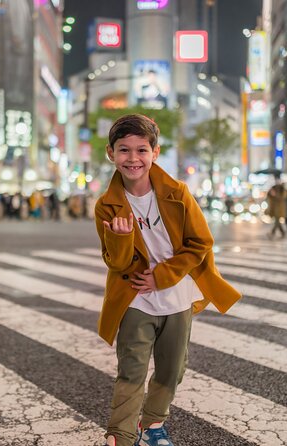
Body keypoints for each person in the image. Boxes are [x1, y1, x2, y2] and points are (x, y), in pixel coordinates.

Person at [94, 114, 241, 446]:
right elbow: (115, 262)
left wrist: (162, 276)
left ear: (155, 153)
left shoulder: (178, 192)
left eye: (141, 150)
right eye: (124, 150)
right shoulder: (107, 206)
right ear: (110, 153)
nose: (133, 159)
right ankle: (121, 434)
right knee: (131, 369)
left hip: (176, 296)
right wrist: (120, 238)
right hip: (134, 298)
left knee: (172, 369)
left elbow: (201, 243)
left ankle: (153, 424)